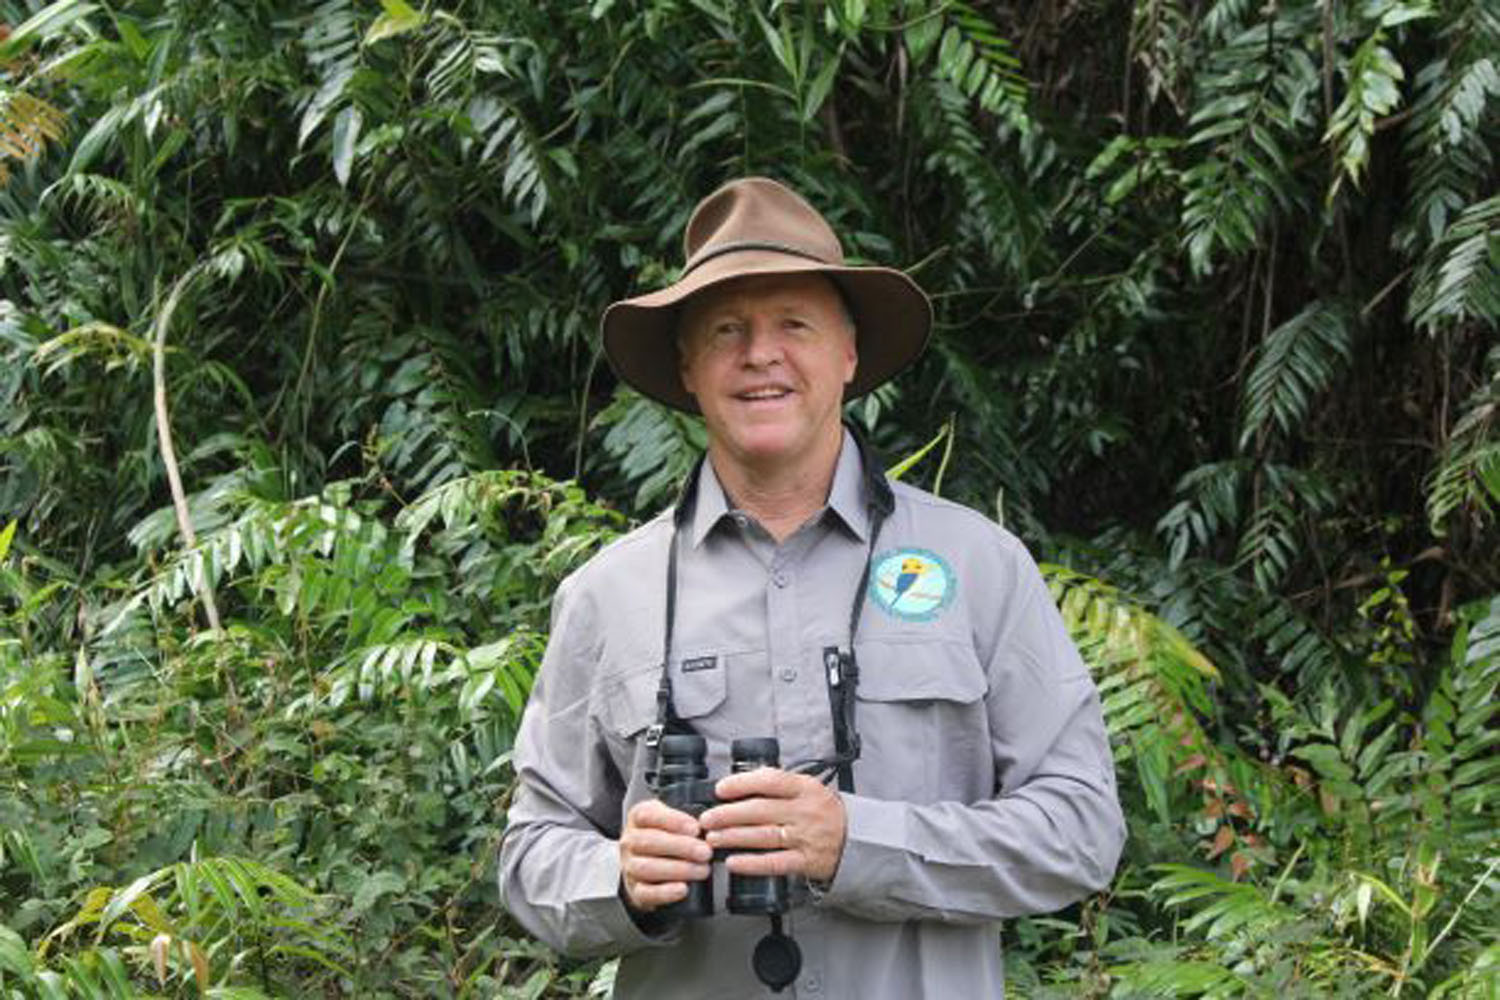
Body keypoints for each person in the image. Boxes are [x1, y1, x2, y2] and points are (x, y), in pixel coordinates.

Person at [498, 177, 1125, 998]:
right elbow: (531, 851)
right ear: (686, 366)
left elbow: (1081, 829)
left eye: (794, 324)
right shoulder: (608, 595)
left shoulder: (978, 565)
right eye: (727, 330)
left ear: (849, 353)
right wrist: (618, 878)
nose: (761, 355)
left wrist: (859, 844)